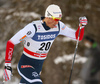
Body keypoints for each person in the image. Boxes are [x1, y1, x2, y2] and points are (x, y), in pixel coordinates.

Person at [3, 4, 87, 84]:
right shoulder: (33, 28)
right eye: (55, 19)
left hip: (38, 66)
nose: (57, 22)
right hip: (26, 64)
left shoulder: (58, 27)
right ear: (48, 17)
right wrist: (7, 65)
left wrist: (81, 26)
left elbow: (77, 37)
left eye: (59, 20)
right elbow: (11, 42)